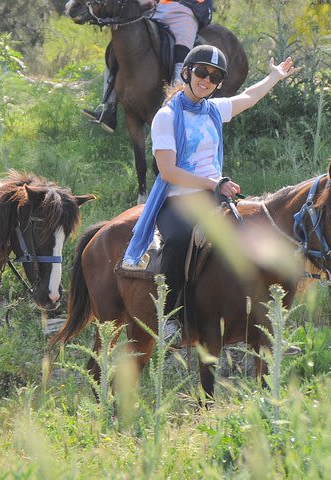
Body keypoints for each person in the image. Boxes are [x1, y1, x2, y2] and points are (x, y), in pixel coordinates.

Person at [121, 44, 297, 340]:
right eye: (201, 72)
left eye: (215, 77)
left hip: (216, 195)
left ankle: (262, 323)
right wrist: (214, 184)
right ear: (186, 73)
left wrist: (275, 77)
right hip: (178, 198)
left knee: (259, 234)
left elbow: (248, 98)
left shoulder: (213, 110)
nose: (207, 80)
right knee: (178, 239)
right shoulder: (166, 116)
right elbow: (168, 171)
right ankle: (170, 317)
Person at [83, 0, 214, 133]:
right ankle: (109, 109)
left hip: (185, 11)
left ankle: (177, 109)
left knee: (181, 56)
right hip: (158, 9)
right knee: (116, 49)